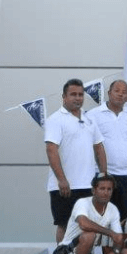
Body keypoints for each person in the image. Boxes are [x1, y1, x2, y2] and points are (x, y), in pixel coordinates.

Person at [45, 79, 107, 243]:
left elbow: (99, 147)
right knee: (65, 225)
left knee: (89, 226)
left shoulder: (89, 119)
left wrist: (103, 175)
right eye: (73, 94)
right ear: (64, 97)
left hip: (88, 185)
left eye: (80, 95)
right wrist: (62, 179)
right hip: (65, 186)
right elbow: (51, 150)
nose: (77, 98)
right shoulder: (55, 119)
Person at [53, 174, 127, 254]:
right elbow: (84, 224)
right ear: (94, 190)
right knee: (89, 236)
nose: (106, 192)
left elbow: (119, 237)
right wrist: (110, 233)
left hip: (89, 253)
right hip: (65, 252)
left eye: (109, 189)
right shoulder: (82, 203)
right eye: (102, 188)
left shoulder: (113, 209)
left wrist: (115, 253)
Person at [86, 80, 127, 221]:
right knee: (100, 217)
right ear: (109, 93)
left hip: (126, 175)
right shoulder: (93, 115)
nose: (120, 94)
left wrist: (122, 154)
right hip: (102, 174)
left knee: (125, 218)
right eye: (117, 91)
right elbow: (88, 143)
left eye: (124, 92)